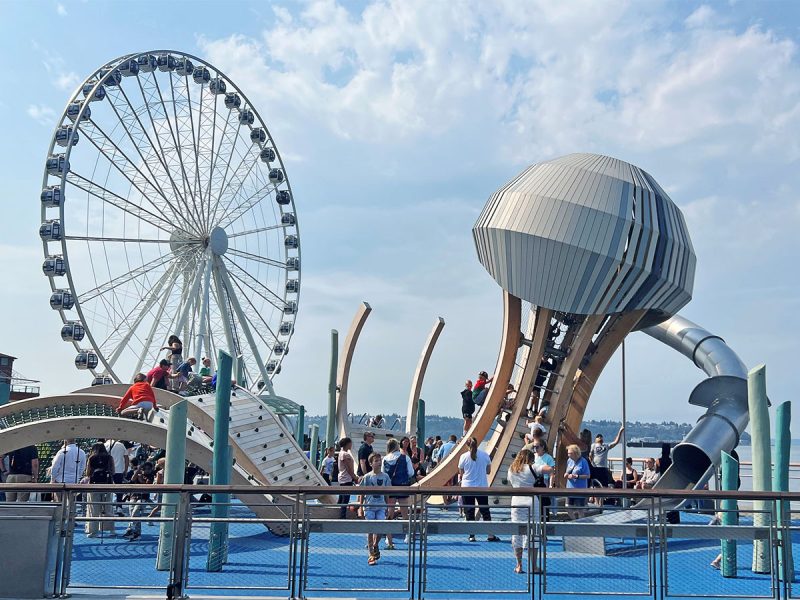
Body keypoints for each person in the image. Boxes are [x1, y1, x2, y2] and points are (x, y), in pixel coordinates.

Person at [507, 448, 552, 574]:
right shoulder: (532, 467)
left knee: (517, 533)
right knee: (533, 533)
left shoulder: (512, 469)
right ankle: (533, 566)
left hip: (516, 502)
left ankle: (519, 565)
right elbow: (549, 469)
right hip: (531, 501)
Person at [458, 437, 499, 542]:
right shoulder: (485, 455)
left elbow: (461, 473)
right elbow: (488, 471)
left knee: (469, 511)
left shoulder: (463, 457)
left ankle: (472, 535)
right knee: (485, 510)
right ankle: (490, 534)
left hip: (467, 487)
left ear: (467, 445)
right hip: (481, 486)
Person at [359, 452, 391, 565]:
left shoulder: (385, 477)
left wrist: (387, 506)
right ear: (371, 463)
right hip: (369, 506)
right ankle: (371, 554)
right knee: (370, 529)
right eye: (376, 461)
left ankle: (375, 544)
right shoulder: (367, 477)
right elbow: (362, 492)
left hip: (381, 505)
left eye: (379, 460)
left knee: (381, 527)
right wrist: (360, 507)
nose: (379, 462)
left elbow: (387, 493)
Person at [382, 438, 415, 549]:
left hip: (390, 488)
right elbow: (411, 473)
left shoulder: (385, 458)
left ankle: (388, 537)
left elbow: (383, 473)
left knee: (389, 513)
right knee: (405, 513)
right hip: (402, 487)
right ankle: (407, 535)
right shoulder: (405, 457)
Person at [85, 442, 115, 537]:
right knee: (108, 507)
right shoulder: (109, 457)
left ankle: (93, 531)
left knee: (93, 509)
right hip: (107, 485)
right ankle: (110, 529)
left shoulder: (91, 458)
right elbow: (113, 471)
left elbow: (88, 473)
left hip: (94, 485)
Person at [123, 460, 156, 541]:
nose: (147, 471)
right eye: (145, 469)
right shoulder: (138, 474)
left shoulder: (150, 476)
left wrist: (141, 479)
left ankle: (130, 528)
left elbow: (146, 486)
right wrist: (138, 470)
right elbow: (132, 480)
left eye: (149, 469)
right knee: (134, 515)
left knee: (136, 512)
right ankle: (136, 533)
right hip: (133, 496)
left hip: (143, 498)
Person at [564, 444, 591, 519]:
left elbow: (588, 475)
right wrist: (566, 475)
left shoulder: (583, 461)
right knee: (567, 506)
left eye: (570, 453)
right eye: (568, 453)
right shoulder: (569, 461)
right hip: (570, 488)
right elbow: (567, 471)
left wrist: (577, 476)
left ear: (575, 453)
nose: (568, 455)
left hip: (580, 488)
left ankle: (581, 522)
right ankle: (574, 520)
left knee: (580, 509)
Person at [102, 439, 129, 515]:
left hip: (108, 471)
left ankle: (105, 507)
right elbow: (126, 458)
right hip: (119, 470)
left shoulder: (104, 445)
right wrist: (125, 470)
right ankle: (119, 507)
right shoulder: (121, 445)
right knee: (119, 490)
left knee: (106, 489)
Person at [336, 438, 356, 519]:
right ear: (348, 444)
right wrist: (354, 477)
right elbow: (348, 468)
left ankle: (337, 513)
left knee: (341, 497)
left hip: (342, 478)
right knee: (345, 499)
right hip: (346, 478)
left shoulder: (341, 453)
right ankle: (342, 516)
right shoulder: (345, 454)